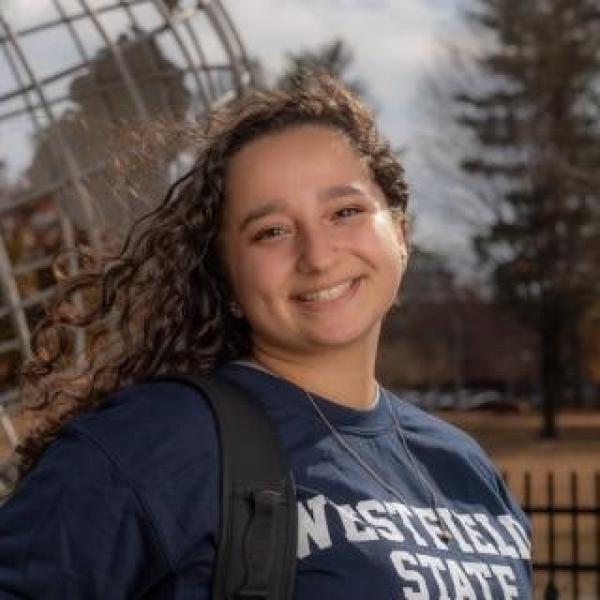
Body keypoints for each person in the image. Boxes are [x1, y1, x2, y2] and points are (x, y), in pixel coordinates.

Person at [0, 74, 532, 598]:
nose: (318, 256)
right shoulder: (160, 441)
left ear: (401, 236)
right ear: (226, 276)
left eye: (344, 212)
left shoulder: (463, 465)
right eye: (271, 231)